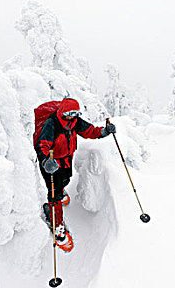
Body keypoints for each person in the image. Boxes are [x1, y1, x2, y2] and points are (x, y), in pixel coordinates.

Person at [34, 98, 116, 252]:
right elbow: (42, 144)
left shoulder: (74, 121)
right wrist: (46, 161)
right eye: (69, 114)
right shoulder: (51, 124)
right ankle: (57, 224)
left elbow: (89, 131)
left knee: (66, 179)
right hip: (51, 162)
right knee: (55, 192)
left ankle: (60, 192)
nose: (72, 117)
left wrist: (104, 132)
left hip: (65, 158)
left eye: (74, 114)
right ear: (62, 112)